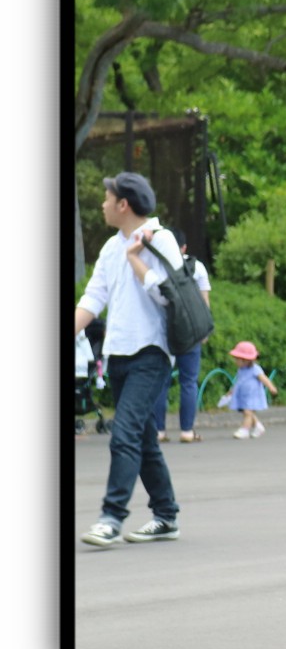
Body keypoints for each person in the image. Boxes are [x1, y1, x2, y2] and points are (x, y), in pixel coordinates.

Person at [74, 172, 183, 547]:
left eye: (107, 199)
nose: (102, 205)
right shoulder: (109, 248)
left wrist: (137, 258)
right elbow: (93, 298)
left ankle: (111, 516)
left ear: (123, 204)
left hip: (151, 353)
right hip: (117, 354)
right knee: (143, 439)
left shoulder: (161, 240)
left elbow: (169, 297)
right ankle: (166, 516)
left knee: (123, 434)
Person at [158, 229, 212, 445]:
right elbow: (203, 301)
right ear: (184, 248)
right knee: (189, 381)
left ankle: (158, 431)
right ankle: (187, 431)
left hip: (164, 331)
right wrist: (204, 329)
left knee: (161, 382)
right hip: (190, 331)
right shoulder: (196, 267)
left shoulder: (158, 265)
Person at [227, 339, 278, 439]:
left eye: (237, 359)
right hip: (243, 395)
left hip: (252, 395)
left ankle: (244, 429)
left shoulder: (255, 369)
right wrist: (232, 391)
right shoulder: (241, 370)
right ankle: (258, 426)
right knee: (245, 411)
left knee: (248, 412)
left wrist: (271, 388)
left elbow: (264, 379)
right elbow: (239, 381)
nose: (235, 361)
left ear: (246, 360)